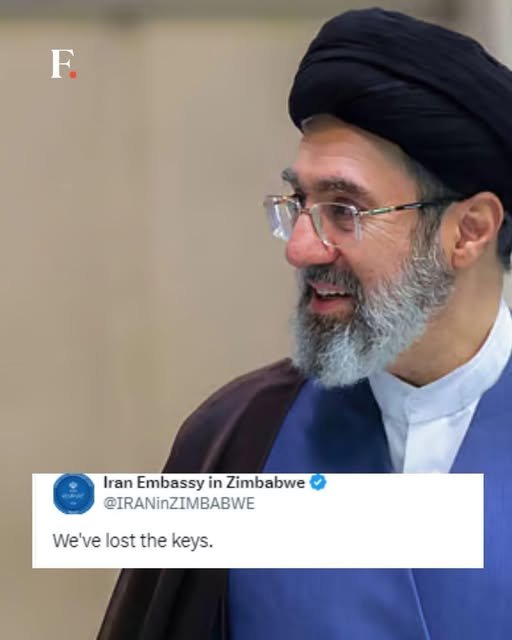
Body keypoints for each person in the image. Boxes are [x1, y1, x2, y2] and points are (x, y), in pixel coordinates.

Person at [98, 8, 512, 640]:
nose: (300, 247)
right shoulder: (236, 440)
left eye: (344, 210)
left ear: (470, 231)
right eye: (299, 203)